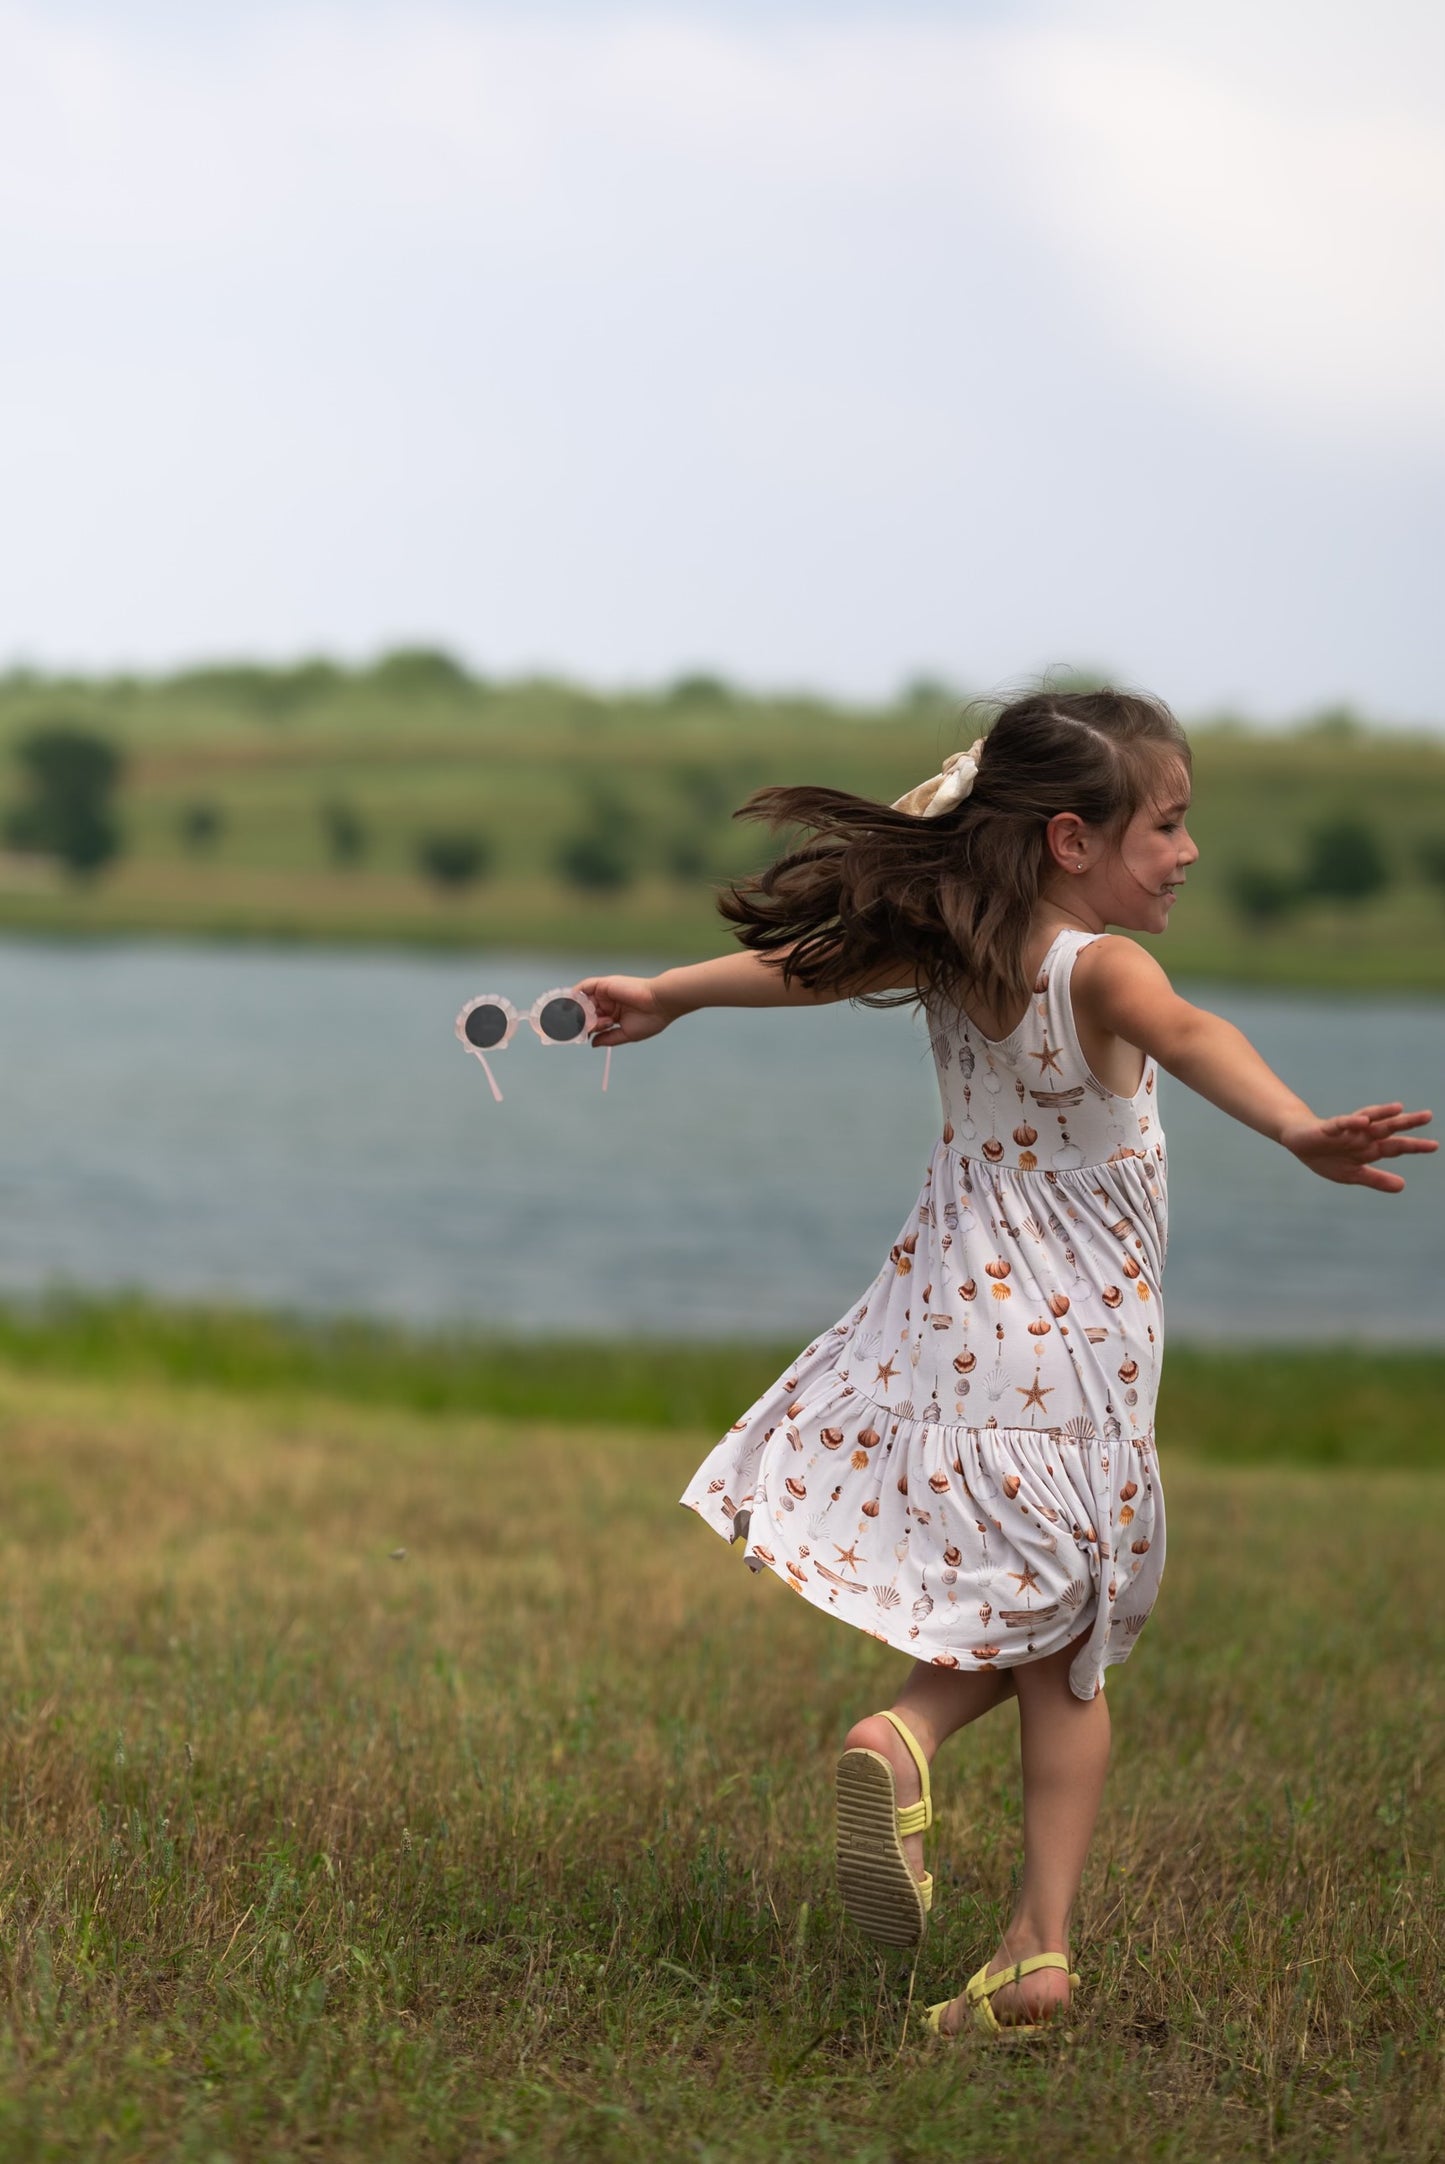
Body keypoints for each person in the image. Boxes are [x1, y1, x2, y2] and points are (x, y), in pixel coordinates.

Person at [577, 688, 1435, 2040]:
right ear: (1067, 840)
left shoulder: (958, 948)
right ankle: (1013, 1905)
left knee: (1042, 1621)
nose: (1188, 850)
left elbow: (805, 971)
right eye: (1165, 822)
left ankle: (953, 1817)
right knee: (1074, 1647)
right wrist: (1295, 1129)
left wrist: (668, 995)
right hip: (1073, 1360)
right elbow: (1194, 1034)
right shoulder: (1097, 970)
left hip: (949, 1331)